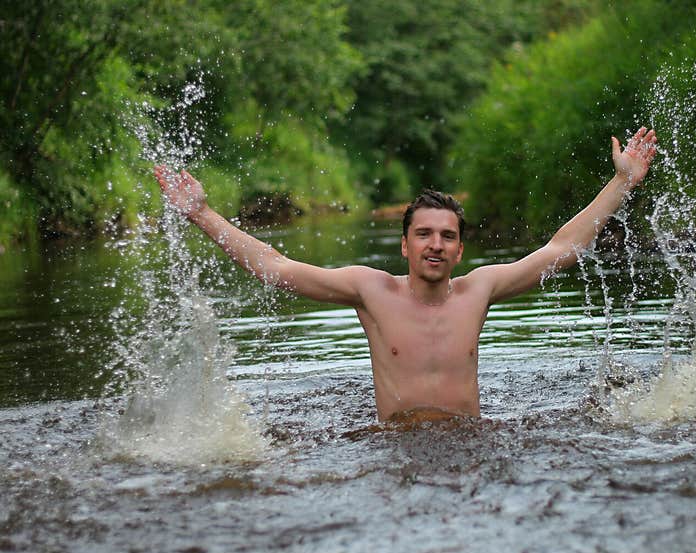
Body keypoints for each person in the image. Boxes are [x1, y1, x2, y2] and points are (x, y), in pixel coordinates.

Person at [154, 127, 657, 422]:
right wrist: (202, 215)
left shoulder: (479, 290)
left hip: (470, 447)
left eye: (447, 236)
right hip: (393, 451)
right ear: (404, 244)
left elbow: (562, 248)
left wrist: (621, 181)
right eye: (423, 234)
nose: (435, 244)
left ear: (460, 250)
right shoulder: (370, 291)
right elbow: (278, 268)